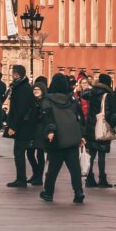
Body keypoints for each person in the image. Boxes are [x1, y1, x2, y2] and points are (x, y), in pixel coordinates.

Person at [39, 73, 86, 204]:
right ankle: (78, 192)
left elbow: (47, 118)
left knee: (53, 169)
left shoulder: (47, 100)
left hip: (57, 138)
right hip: (72, 138)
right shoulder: (71, 100)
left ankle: (48, 193)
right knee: (75, 169)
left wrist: (50, 131)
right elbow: (80, 118)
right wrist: (82, 136)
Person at [5, 64, 35, 187]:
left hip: (22, 126)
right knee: (20, 152)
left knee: (19, 152)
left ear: (19, 74)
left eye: (15, 72)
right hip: (22, 125)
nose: (13, 74)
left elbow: (20, 110)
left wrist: (13, 127)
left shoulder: (23, 88)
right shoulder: (21, 86)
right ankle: (22, 177)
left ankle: (21, 179)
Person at [84, 72, 114, 188]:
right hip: (101, 126)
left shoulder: (92, 92)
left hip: (91, 126)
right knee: (101, 154)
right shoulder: (107, 95)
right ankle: (102, 179)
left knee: (91, 154)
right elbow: (107, 112)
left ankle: (89, 178)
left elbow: (83, 94)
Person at [27, 76, 48, 186]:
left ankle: (39, 177)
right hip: (32, 130)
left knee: (40, 154)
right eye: (34, 89)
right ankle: (35, 173)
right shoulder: (33, 101)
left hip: (41, 130)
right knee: (30, 153)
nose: (35, 91)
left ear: (42, 91)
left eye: (37, 90)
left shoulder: (45, 101)